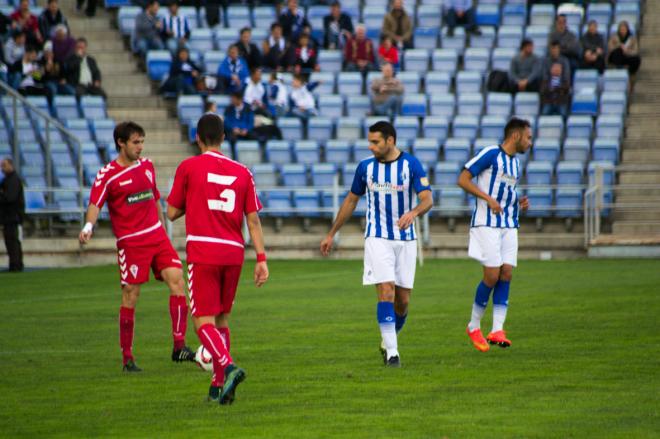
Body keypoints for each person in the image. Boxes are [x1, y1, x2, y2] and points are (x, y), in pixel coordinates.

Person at [167, 113, 269, 404]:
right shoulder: (242, 171)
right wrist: (261, 258)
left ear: (197, 138)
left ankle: (228, 366)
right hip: (234, 251)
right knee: (222, 317)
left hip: (203, 250)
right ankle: (217, 387)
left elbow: (172, 211)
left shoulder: (188, 166)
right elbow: (253, 220)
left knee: (202, 322)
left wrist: (195, 199)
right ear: (224, 138)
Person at [79, 121, 195, 372]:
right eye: (135, 142)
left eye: (142, 142)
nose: (140, 147)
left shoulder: (147, 166)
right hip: (131, 243)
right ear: (121, 143)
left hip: (157, 236)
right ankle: (127, 358)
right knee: (131, 296)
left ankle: (179, 346)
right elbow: (95, 204)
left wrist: (163, 231)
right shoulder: (107, 174)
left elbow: (154, 199)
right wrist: (88, 227)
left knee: (177, 280)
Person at [320, 121, 433, 367]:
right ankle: (393, 353)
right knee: (386, 291)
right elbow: (351, 201)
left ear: (390, 140)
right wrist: (332, 233)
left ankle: (387, 340)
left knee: (402, 302)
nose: (370, 147)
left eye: (375, 142)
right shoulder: (365, 168)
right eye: (369, 141)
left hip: (405, 239)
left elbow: (427, 199)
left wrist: (413, 213)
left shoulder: (410, 165)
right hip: (377, 237)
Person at [458, 117, 531, 352]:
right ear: (516, 136)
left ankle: (497, 329)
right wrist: (487, 199)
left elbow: (505, 191)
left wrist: (517, 201)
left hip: (509, 222)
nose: (530, 143)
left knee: (506, 273)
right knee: (491, 275)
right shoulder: (490, 154)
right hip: (486, 223)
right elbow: (463, 179)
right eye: (528, 137)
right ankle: (474, 325)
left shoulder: (516, 164)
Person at [0, 158, 25, 273]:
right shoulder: (8, 180)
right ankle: (16, 264)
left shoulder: (13, 180)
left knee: (12, 241)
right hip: (10, 216)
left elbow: (10, 198)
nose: (2, 169)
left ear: (11, 165)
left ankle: (15, 265)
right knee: (12, 241)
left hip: (12, 216)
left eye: (4, 166)